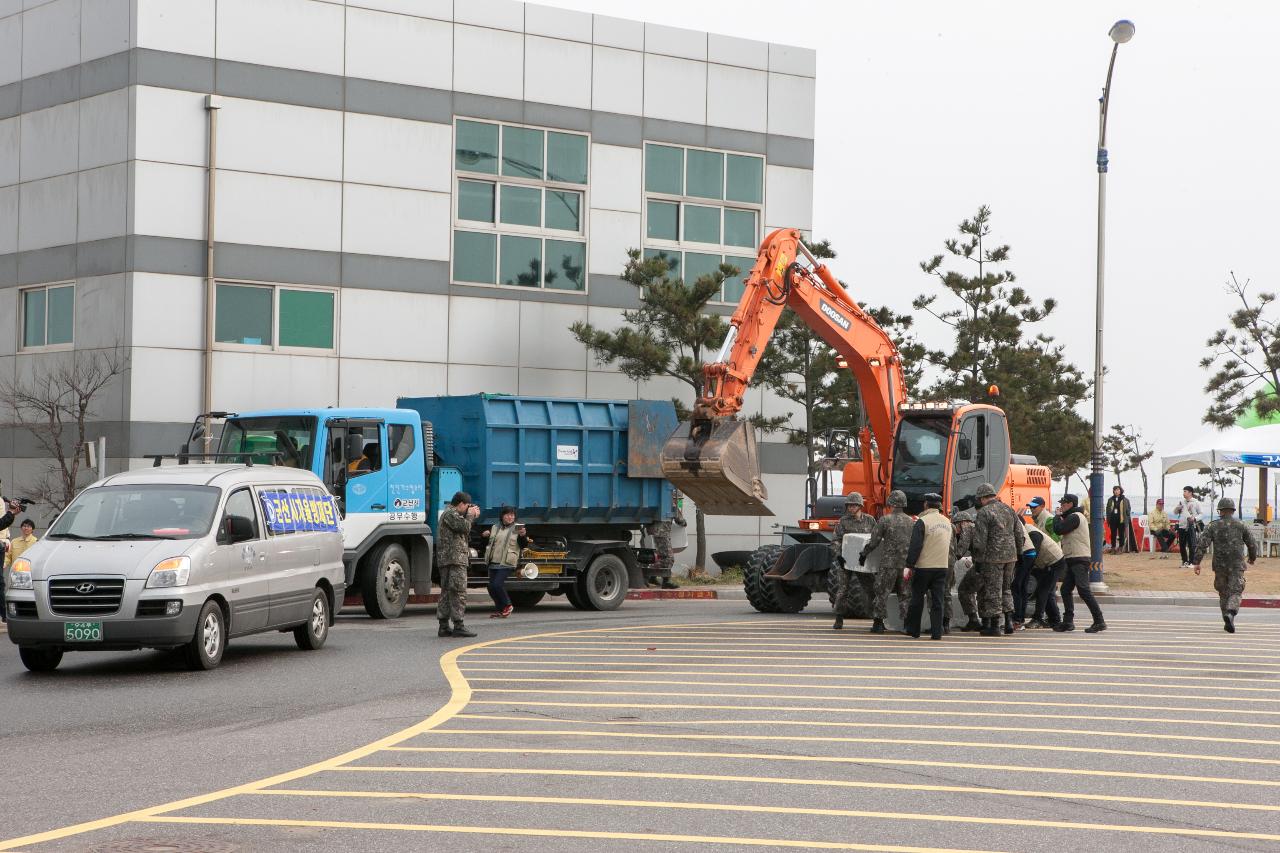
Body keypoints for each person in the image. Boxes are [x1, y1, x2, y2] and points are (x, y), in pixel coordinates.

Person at [1192, 498, 1257, 633]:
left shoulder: (1212, 526)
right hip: (1237, 564)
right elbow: (1252, 544)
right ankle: (1231, 613)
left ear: (1220, 511)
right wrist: (1252, 558)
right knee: (1236, 591)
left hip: (1219, 565)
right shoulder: (1241, 525)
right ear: (1232, 510)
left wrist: (1197, 562)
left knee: (1223, 592)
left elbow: (1202, 544)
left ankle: (1226, 619)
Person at [971, 483, 1026, 636]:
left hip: (993, 558)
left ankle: (995, 625)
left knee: (993, 590)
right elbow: (1019, 532)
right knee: (1006, 588)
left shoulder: (984, 512)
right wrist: (1019, 553)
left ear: (982, 498)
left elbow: (980, 540)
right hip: (1011, 556)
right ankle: (1008, 622)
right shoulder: (1008, 509)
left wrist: (978, 560)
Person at [858, 489, 913, 634]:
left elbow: (874, 540)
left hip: (889, 564)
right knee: (905, 594)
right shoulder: (911, 522)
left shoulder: (885, 520)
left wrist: (863, 554)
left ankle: (878, 624)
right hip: (906, 565)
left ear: (891, 503)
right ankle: (907, 624)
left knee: (882, 592)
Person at [1053, 493, 1106, 633]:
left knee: (1083, 590)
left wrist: (1057, 516)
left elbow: (1059, 529)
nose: (1061, 506)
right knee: (1065, 590)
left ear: (1070, 504)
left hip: (1078, 558)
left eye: (1063, 503)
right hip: (1073, 557)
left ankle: (1099, 620)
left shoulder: (1075, 517)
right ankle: (1068, 621)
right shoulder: (1072, 516)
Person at [904, 493, 952, 640]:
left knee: (917, 599)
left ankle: (914, 630)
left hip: (924, 567)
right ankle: (937, 633)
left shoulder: (922, 521)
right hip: (942, 567)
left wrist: (909, 565)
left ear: (926, 504)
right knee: (938, 601)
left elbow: (915, 545)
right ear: (939, 506)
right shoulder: (947, 522)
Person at [830, 492, 876, 630]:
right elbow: (835, 540)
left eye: (854, 505)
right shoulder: (843, 521)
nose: (851, 508)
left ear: (860, 506)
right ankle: (839, 618)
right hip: (846, 561)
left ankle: (877, 618)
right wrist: (839, 556)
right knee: (842, 590)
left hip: (863, 561)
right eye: (849, 505)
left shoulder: (870, 520)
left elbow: (875, 539)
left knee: (872, 590)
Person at [437, 491, 480, 638]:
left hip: (449, 559)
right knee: (458, 591)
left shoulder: (448, 514)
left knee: (448, 591)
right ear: (461, 504)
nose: (468, 509)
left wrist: (468, 516)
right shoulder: (451, 514)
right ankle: (458, 625)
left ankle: (444, 626)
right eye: (467, 506)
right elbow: (465, 527)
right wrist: (470, 516)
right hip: (454, 560)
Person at [481, 505, 529, 619]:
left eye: (512, 515)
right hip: (494, 561)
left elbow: (523, 545)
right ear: (502, 516)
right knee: (491, 586)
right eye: (507, 515)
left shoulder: (518, 528)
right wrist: (484, 537)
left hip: (507, 562)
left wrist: (523, 536)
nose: (510, 517)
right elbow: (487, 545)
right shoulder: (495, 527)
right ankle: (500, 609)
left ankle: (507, 605)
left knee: (497, 584)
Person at [1023, 518, 1065, 628]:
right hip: (1047, 563)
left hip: (1054, 561)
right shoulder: (1028, 531)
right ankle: (1054, 619)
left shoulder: (1032, 533)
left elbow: (1033, 554)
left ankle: (1038, 619)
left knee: (1043, 591)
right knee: (1046, 592)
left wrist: (1026, 568)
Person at [951, 497, 980, 632]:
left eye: (955, 526)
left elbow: (959, 552)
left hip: (982, 565)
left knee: (964, 589)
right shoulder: (978, 527)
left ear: (961, 523)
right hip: (996, 563)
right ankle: (990, 621)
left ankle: (974, 619)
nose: (956, 530)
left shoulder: (968, 529)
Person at [1174, 486, 1204, 568]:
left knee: (1192, 545)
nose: (1184, 493)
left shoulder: (1196, 502)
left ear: (1190, 493)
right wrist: (1178, 508)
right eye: (1183, 491)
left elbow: (1201, 514)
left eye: (1185, 491)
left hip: (1191, 526)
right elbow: (1175, 512)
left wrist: (1195, 518)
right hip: (1181, 525)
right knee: (1182, 545)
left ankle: (1192, 562)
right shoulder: (1181, 502)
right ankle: (1184, 561)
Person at [1106, 486, 1133, 554]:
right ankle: (1113, 548)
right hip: (1113, 519)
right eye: (1115, 490)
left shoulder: (1125, 500)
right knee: (1113, 534)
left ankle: (1121, 548)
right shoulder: (1110, 499)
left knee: (1121, 534)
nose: (1116, 491)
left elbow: (1128, 509)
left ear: (1120, 491)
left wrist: (1127, 516)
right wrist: (1108, 518)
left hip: (1121, 520)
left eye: (1118, 490)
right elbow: (1107, 509)